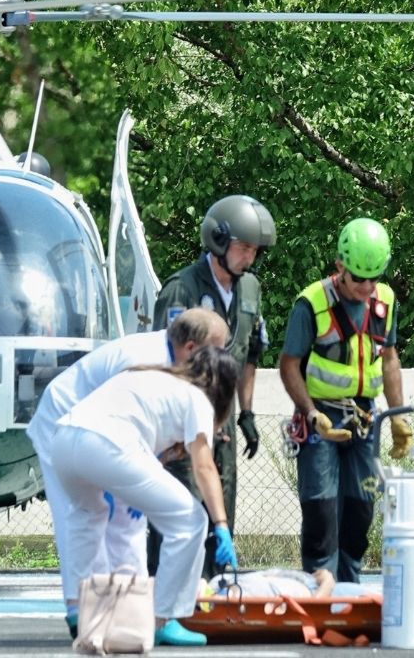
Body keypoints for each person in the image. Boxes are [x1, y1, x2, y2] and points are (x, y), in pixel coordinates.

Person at [27, 308, 228, 637]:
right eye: (217, 349)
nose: (220, 358)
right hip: (71, 421)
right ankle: (143, 617)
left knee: (98, 517)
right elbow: (117, 415)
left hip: (80, 433)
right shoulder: (145, 358)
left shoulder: (168, 358)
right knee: (99, 519)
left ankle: (108, 612)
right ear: (192, 348)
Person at [279, 217, 414, 582]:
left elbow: (389, 360)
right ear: (340, 266)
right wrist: (310, 414)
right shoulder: (311, 304)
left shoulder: (384, 301)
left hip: (364, 418)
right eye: (358, 278)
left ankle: (349, 585)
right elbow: (289, 365)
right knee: (321, 507)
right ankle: (319, 582)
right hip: (321, 416)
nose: (367, 287)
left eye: (374, 277)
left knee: (360, 507)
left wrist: (399, 416)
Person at [149, 195, 276, 578]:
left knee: (221, 502)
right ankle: (169, 593)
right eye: (242, 247)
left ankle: (215, 590)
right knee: (182, 507)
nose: (248, 258)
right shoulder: (182, 289)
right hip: (182, 417)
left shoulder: (250, 289)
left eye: (254, 250)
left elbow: (252, 351)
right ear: (219, 241)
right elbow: (166, 360)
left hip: (224, 416)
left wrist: (247, 412)